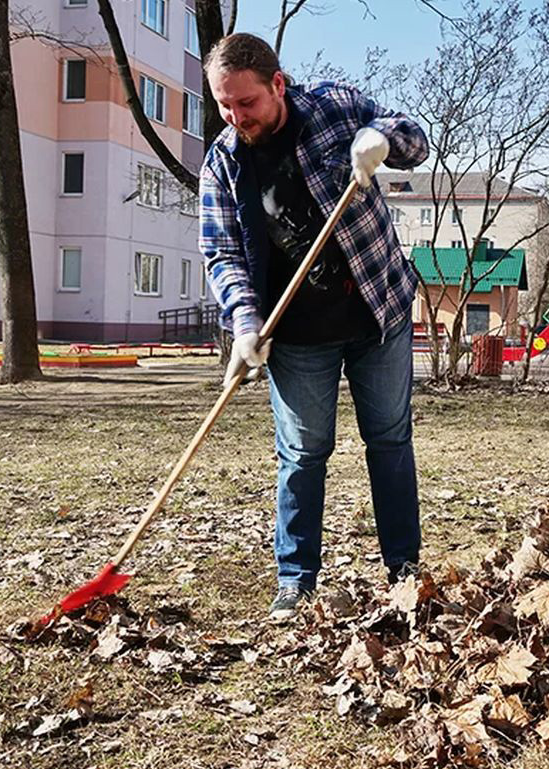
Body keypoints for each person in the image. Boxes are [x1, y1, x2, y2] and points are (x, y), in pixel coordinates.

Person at [198, 33, 429, 618]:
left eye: (245, 103)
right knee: (302, 454)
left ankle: (405, 568)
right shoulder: (223, 163)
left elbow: (413, 138)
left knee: (390, 439)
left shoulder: (334, 108)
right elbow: (221, 253)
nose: (235, 117)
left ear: (277, 83)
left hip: (379, 310)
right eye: (224, 105)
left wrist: (381, 140)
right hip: (297, 335)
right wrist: (245, 324)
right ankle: (296, 580)